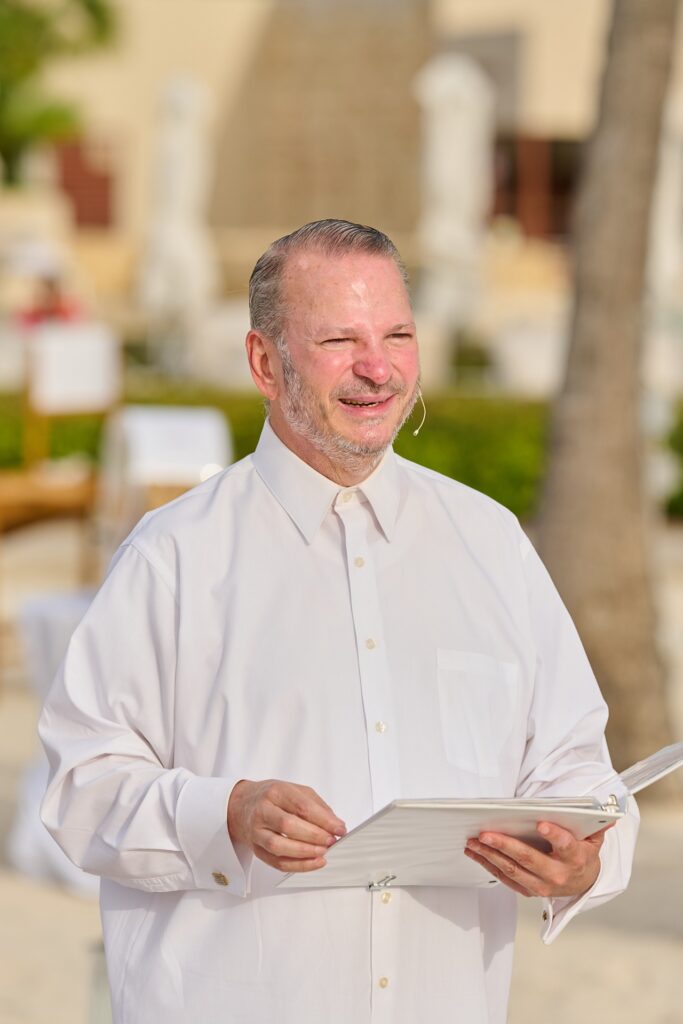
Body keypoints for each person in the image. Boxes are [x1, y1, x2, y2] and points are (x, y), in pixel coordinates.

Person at [40, 219, 638, 1024]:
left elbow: (579, 772)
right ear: (263, 361)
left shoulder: (490, 542)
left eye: (397, 334)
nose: (378, 368)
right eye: (338, 340)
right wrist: (228, 814)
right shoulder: (174, 554)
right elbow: (82, 788)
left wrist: (583, 863)